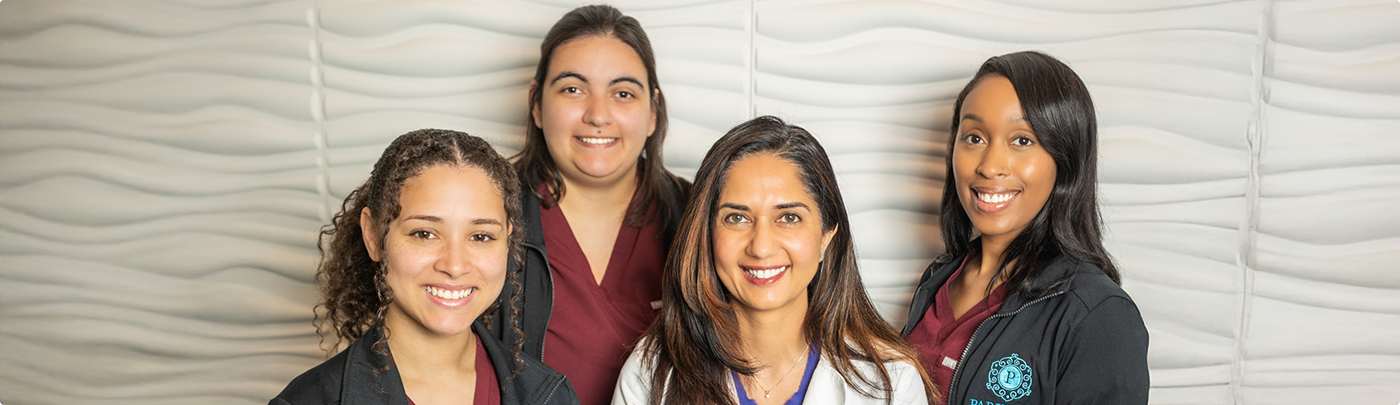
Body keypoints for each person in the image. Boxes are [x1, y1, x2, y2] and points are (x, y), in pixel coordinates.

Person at [614, 116, 935, 405]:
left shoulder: (892, 382)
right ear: (707, 236)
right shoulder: (651, 374)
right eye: (737, 218)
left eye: (789, 217)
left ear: (826, 237)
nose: (762, 247)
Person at [900, 51, 1150, 405]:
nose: (990, 166)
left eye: (1022, 140)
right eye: (974, 137)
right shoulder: (940, 277)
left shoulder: (1098, 315)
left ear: (1066, 160)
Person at [271, 129, 578, 405]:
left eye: (481, 236)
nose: (455, 265)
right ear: (374, 236)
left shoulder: (550, 394)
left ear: (507, 241)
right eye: (424, 234)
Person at [483, 5, 691, 405]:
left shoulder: (698, 216)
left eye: (623, 93)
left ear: (652, 112)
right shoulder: (487, 214)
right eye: (573, 89)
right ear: (537, 104)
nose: (598, 115)